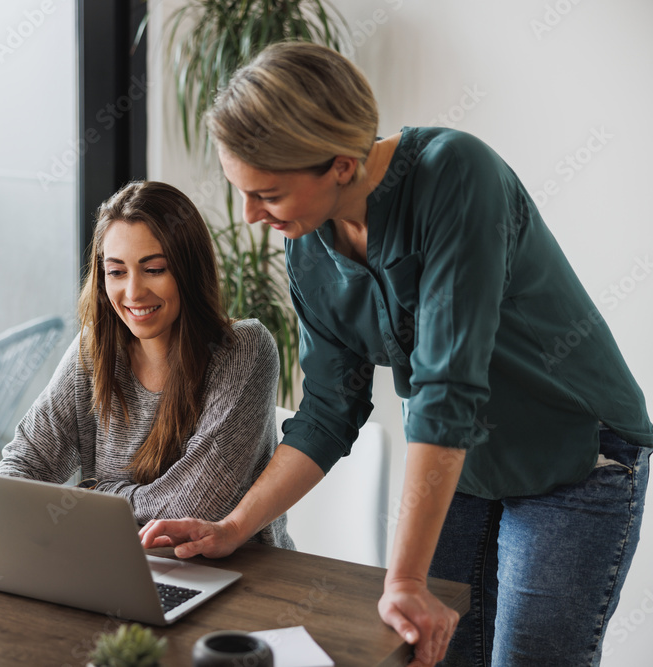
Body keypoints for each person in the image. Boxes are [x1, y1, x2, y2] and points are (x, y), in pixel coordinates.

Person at [139, 41, 653, 667]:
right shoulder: (308, 247)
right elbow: (329, 410)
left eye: (268, 195)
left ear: (341, 165)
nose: (249, 216)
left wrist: (404, 579)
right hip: (464, 469)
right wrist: (231, 527)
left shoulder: (457, 175)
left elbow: (446, 388)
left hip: (574, 456)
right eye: (243, 192)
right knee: (429, 652)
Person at [0, 180, 292, 549]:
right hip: (117, 562)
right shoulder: (95, 348)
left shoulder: (243, 349)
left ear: (188, 270)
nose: (133, 292)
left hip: (240, 578)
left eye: (154, 269)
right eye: (117, 272)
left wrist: (91, 491)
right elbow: (24, 464)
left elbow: (198, 506)